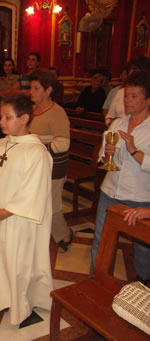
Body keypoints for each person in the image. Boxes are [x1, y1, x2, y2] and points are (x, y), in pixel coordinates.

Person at [0, 94, 53, 325]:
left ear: (25, 118)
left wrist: (5, 212)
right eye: (1, 117)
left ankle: (20, 304)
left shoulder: (36, 153)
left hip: (19, 221)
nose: (1, 122)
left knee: (18, 263)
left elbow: (33, 190)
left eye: (8, 117)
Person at [90, 70, 150, 284]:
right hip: (111, 191)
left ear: (147, 99)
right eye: (126, 95)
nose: (128, 101)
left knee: (142, 247)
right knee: (101, 239)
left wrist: (134, 150)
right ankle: (94, 280)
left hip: (139, 196)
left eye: (134, 96)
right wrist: (106, 154)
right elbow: (105, 162)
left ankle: (143, 287)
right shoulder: (118, 124)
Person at [28, 69, 73, 253]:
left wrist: (36, 146)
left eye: (36, 88)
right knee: (36, 203)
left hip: (54, 167)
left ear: (48, 91)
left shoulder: (57, 112)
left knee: (53, 206)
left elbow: (64, 142)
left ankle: (64, 235)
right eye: (31, 87)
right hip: (34, 166)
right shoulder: (32, 110)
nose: (31, 91)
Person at [106, 56, 150, 126]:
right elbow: (109, 116)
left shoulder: (147, 94)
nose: (132, 72)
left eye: (135, 69)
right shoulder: (121, 92)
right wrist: (113, 123)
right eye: (131, 69)